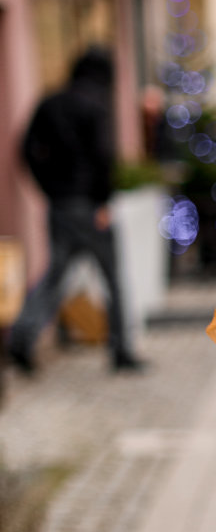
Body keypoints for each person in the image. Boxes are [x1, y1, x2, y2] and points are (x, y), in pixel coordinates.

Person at [10, 46, 143, 373]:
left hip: (60, 205)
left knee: (55, 274)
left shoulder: (51, 102)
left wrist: (49, 189)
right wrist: (102, 202)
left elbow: (26, 148)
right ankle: (121, 349)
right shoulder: (96, 106)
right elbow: (103, 159)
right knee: (112, 277)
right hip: (89, 207)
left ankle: (22, 336)